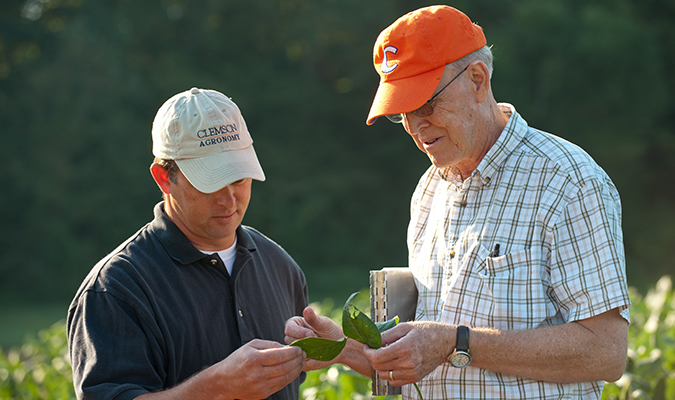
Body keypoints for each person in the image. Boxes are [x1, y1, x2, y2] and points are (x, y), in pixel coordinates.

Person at [285, 5, 631, 400]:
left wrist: (456, 342)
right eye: (402, 114)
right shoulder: (430, 190)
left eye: (426, 106)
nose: (416, 127)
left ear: (478, 80)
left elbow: (606, 352)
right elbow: (425, 363)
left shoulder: (568, 181)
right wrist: (343, 349)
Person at [67, 87, 308, 400]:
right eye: (210, 182)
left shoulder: (280, 266)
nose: (229, 199)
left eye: (238, 178)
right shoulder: (117, 288)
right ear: (163, 178)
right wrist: (215, 387)